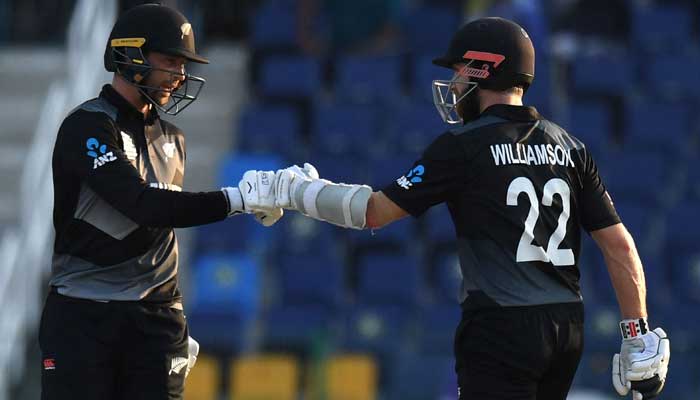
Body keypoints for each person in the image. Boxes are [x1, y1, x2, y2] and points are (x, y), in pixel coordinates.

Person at [243, 17, 670, 400]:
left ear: (484, 70)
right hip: (565, 326)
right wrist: (637, 332)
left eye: (459, 71)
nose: (453, 84)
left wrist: (296, 191)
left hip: (501, 326)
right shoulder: (571, 146)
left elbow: (374, 212)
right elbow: (619, 246)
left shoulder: (464, 146)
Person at [39, 4, 282, 399]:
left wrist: (173, 317)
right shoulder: (87, 127)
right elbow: (141, 205)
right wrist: (237, 199)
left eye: (184, 63)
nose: (181, 75)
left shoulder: (175, 139)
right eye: (171, 60)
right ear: (132, 56)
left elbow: (157, 232)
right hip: (83, 315)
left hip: (156, 318)